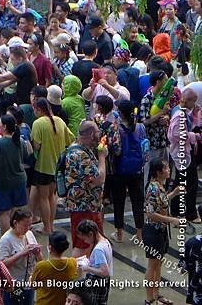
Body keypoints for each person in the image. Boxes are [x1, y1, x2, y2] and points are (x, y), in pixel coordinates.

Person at [31, 98, 74, 234]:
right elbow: (70, 138)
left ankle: (47, 228)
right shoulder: (60, 121)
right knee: (52, 196)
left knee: (44, 197)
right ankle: (51, 225)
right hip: (57, 166)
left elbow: (36, 145)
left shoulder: (38, 123)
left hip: (43, 166)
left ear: (38, 109)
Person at [143, 158, 182, 305]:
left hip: (161, 231)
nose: (169, 170)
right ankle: (149, 299)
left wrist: (174, 193)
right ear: (158, 172)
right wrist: (171, 220)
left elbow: (162, 200)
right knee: (152, 265)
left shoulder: (160, 186)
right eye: (166, 168)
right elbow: (150, 214)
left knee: (158, 264)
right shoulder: (153, 188)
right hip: (153, 231)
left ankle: (156, 294)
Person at [65, 121, 108, 257]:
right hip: (83, 207)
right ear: (91, 134)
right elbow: (99, 178)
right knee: (82, 246)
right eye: (97, 133)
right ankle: (76, 277)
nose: (99, 135)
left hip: (90, 205)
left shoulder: (84, 149)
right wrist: (102, 157)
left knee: (93, 244)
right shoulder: (79, 154)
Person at [110, 100, 146, 243]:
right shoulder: (140, 127)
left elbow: (116, 150)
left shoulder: (116, 129)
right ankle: (140, 234)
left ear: (120, 113)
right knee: (138, 201)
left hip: (120, 170)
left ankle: (119, 234)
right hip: (137, 170)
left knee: (119, 202)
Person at [168, 88, 202, 223]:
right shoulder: (179, 114)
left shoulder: (183, 112)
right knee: (191, 182)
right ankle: (190, 213)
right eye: (193, 101)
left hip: (184, 151)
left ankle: (176, 210)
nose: (194, 104)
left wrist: (195, 114)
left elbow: (189, 126)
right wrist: (195, 136)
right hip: (181, 152)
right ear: (187, 100)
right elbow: (175, 134)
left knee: (180, 181)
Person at [0, 209, 42, 305]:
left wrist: (38, 253)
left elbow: (40, 261)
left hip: (29, 283)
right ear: (15, 223)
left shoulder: (29, 234)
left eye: (30, 225)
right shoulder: (6, 240)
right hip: (13, 286)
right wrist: (21, 253)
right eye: (25, 225)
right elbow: (1, 265)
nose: (28, 228)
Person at [0, 114, 31, 233]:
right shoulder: (19, 141)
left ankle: (6, 238)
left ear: (4, 127)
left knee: (4, 212)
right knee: (17, 211)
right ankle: (17, 235)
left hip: (3, 181)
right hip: (19, 180)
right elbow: (26, 156)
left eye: (0, 124)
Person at [31, 231, 78, 305]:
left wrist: (31, 277)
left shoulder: (41, 266)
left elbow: (32, 285)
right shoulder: (72, 262)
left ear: (50, 247)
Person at [75, 220, 113, 305]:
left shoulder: (98, 249)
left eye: (84, 238)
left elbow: (105, 272)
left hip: (96, 282)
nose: (85, 241)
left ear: (91, 234)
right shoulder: (105, 241)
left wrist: (87, 268)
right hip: (103, 283)